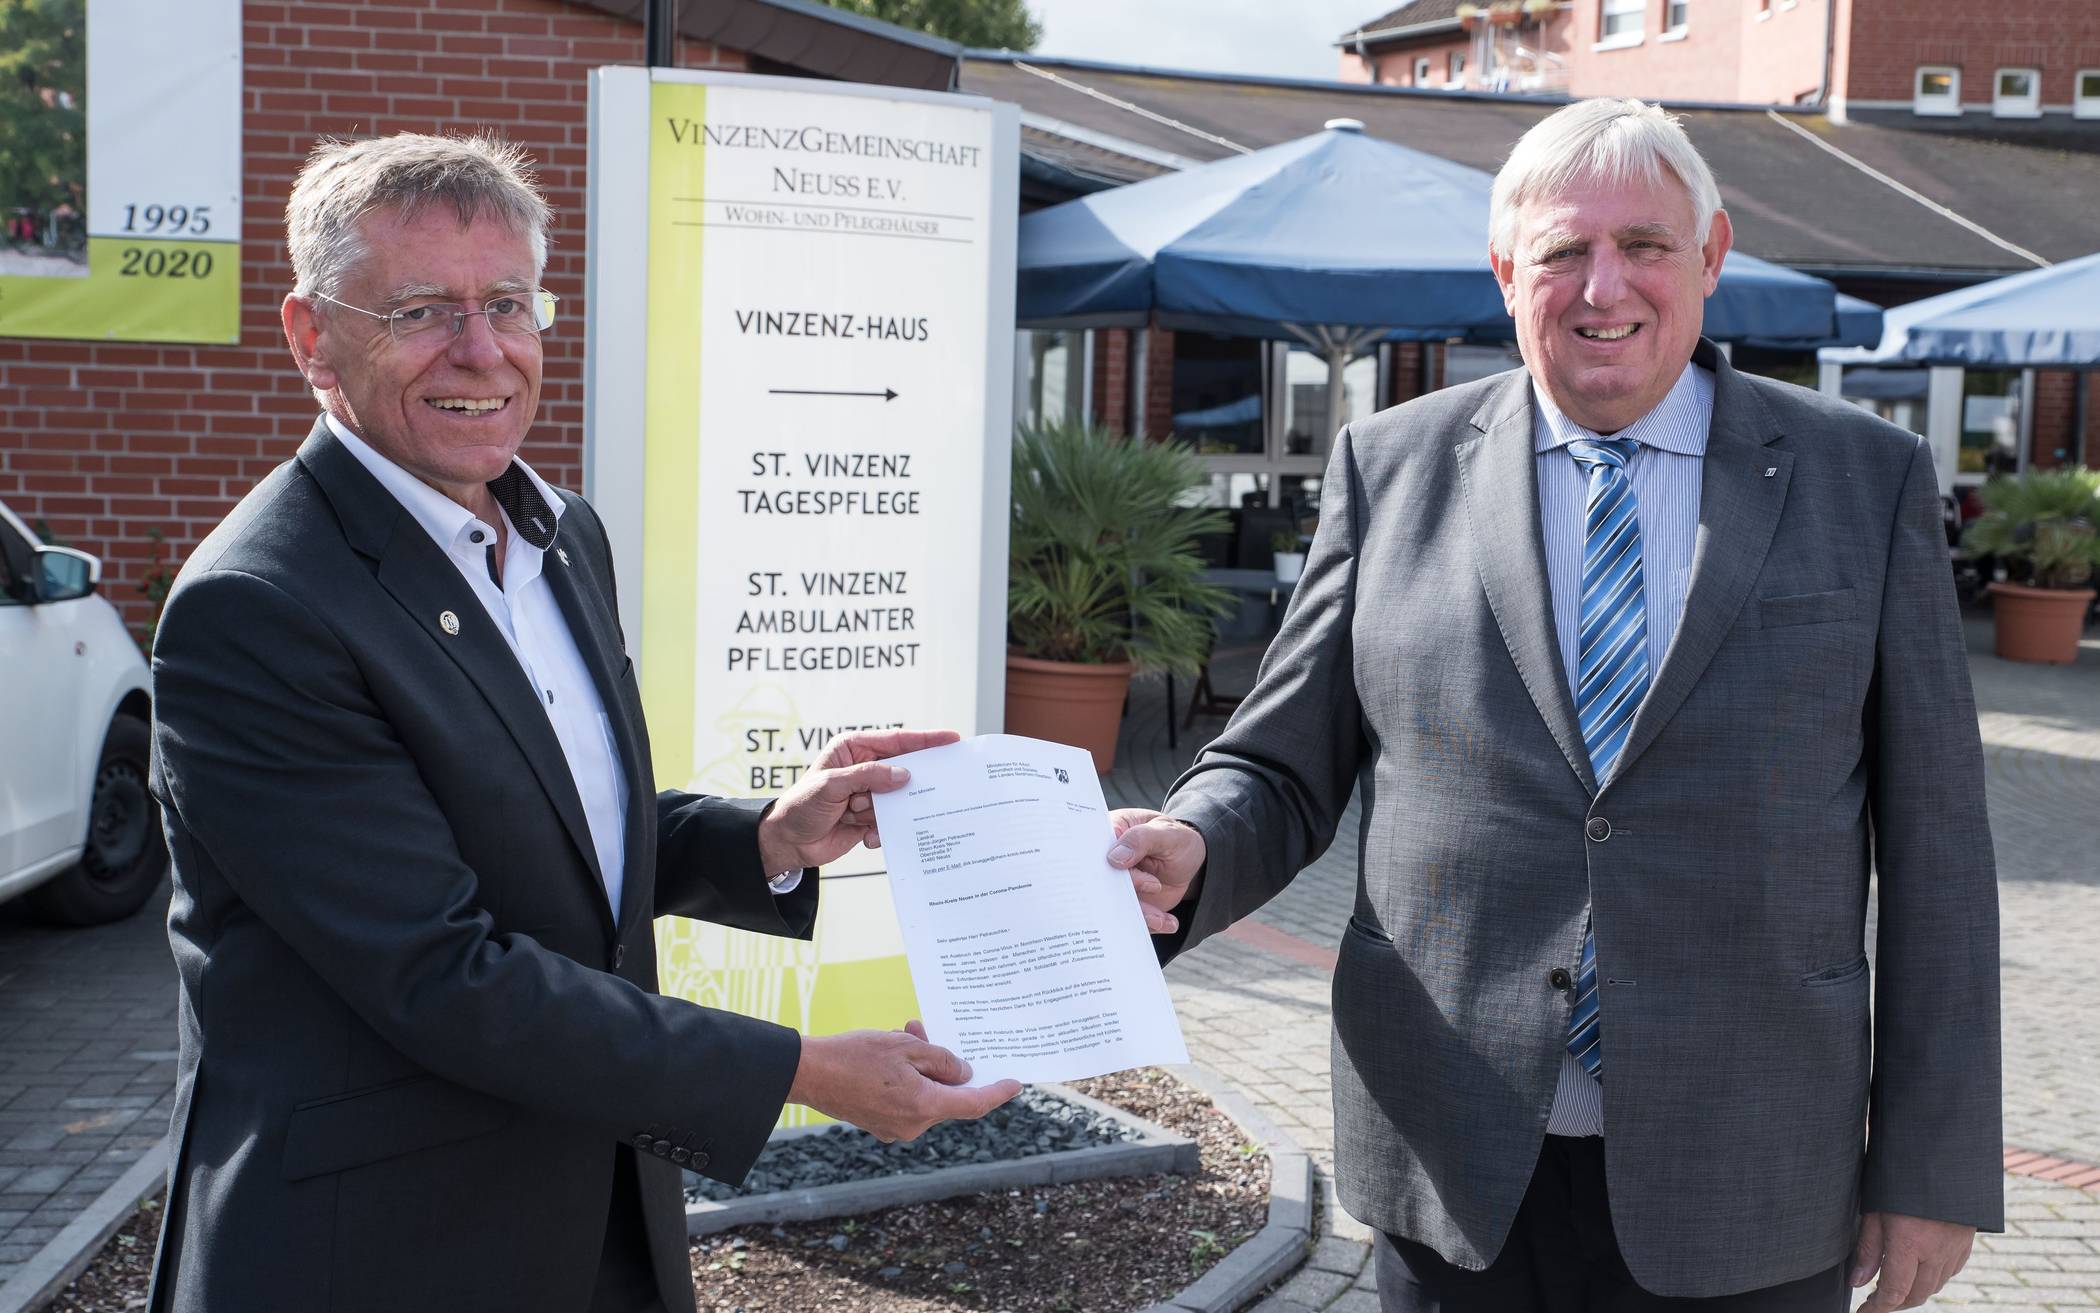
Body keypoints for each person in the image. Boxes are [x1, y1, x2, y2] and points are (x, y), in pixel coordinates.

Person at [1109, 99, 2000, 1313]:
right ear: (1503, 269)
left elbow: (1940, 854)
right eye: (1564, 252)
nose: (1604, 287)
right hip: (1456, 1156)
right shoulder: (1390, 467)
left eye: (1644, 245)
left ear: (1713, 255)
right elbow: (1279, 760)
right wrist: (1195, 837)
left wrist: (1930, 1164)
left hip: (1751, 1170)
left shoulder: (1866, 479)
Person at [145, 132, 1017, 1313]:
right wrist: (803, 1071)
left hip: (596, 1209)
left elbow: (546, 818)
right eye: (420, 310)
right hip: (383, 1252)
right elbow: (441, 969)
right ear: (312, 336)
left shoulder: (561, 532)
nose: (482, 349)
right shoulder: (259, 607)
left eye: (509, 303)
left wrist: (765, 836)